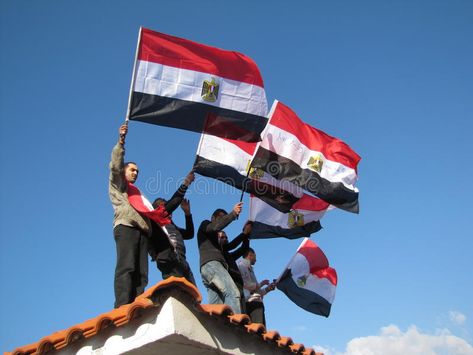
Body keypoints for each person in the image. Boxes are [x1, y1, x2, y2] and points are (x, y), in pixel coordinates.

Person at [109, 123, 151, 308]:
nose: (135, 173)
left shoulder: (139, 194)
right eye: (132, 170)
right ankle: (122, 309)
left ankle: (137, 308)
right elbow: (115, 166)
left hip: (142, 232)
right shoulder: (120, 185)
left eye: (138, 172)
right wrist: (121, 142)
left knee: (141, 274)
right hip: (126, 227)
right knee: (127, 267)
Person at [198, 203, 249, 314]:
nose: (222, 221)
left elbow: (230, 246)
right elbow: (216, 226)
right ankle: (235, 324)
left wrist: (244, 234)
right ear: (213, 218)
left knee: (216, 304)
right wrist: (233, 213)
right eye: (220, 218)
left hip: (208, 270)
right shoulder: (206, 224)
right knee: (232, 292)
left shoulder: (217, 243)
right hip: (212, 265)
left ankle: (215, 328)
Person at [148, 172, 196, 284]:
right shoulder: (156, 223)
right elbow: (174, 202)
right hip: (168, 258)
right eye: (163, 206)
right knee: (177, 291)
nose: (168, 210)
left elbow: (189, 234)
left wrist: (187, 214)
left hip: (182, 261)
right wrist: (186, 183)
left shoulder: (172, 226)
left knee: (193, 295)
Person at [237, 247, 276, 326]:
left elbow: (256, 291)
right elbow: (245, 284)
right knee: (257, 330)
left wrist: (268, 289)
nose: (256, 259)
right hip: (250, 303)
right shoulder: (241, 266)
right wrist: (261, 284)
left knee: (260, 329)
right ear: (250, 255)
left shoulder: (249, 268)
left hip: (256, 302)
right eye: (255, 256)